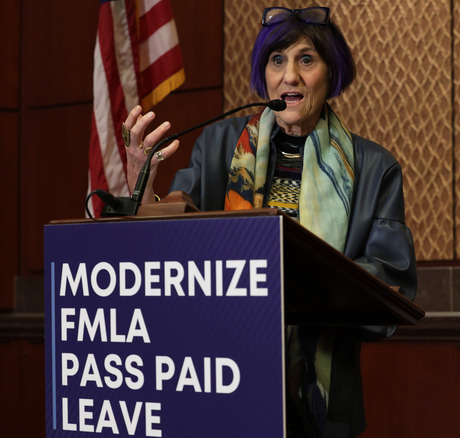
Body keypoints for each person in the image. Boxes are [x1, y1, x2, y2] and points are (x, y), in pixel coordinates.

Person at [121, 6, 416, 438]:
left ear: (330, 73)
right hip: (222, 384)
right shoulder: (220, 145)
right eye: (277, 60)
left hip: (324, 405)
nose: (289, 76)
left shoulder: (374, 167)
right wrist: (140, 183)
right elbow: (168, 251)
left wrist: (285, 279)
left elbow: (391, 288)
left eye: (306, 59)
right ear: (264, 74)